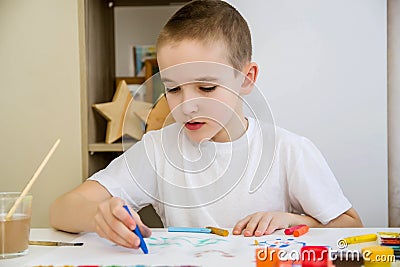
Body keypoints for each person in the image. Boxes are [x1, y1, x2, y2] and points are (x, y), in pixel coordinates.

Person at [50, 0, 362, 251]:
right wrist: (97, 216)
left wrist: (294, 221)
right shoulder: (158, 150)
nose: (187, 105)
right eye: (173, 89)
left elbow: (352, 226)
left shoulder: (288, 151)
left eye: (207, 88)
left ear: (246, 78)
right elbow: (61, 210)